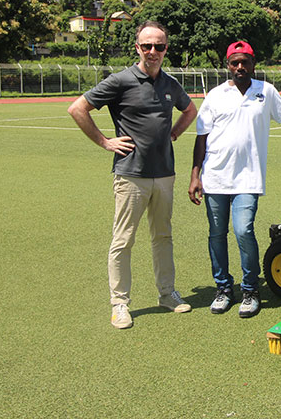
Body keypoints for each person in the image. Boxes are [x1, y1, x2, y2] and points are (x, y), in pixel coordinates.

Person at [188, 41, 281, 318]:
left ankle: (249, 289)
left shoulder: (265, 92)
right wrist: (195, 174)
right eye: (235, 62)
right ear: (228, 65)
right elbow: (202, 138)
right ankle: (223, 288)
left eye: (245, 62)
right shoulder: (215, 95)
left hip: (247, 178)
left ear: (253, 64)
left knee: (244, 230)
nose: (240, 67)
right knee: (216, 234)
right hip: (215, 177)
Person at [68, 20, 198, 329]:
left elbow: (191, 111)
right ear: (137, 47)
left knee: (163, 237)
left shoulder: (170, 83)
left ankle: (167, 294)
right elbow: (77, 108)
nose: (153, 51)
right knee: (123, 240)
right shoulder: (120, 81)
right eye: (147, 46)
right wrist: (105, 142)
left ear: (166, 49)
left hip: (165, 174)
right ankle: (120, 304)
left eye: (160, 46)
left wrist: (174, 134)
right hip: (131, 175)